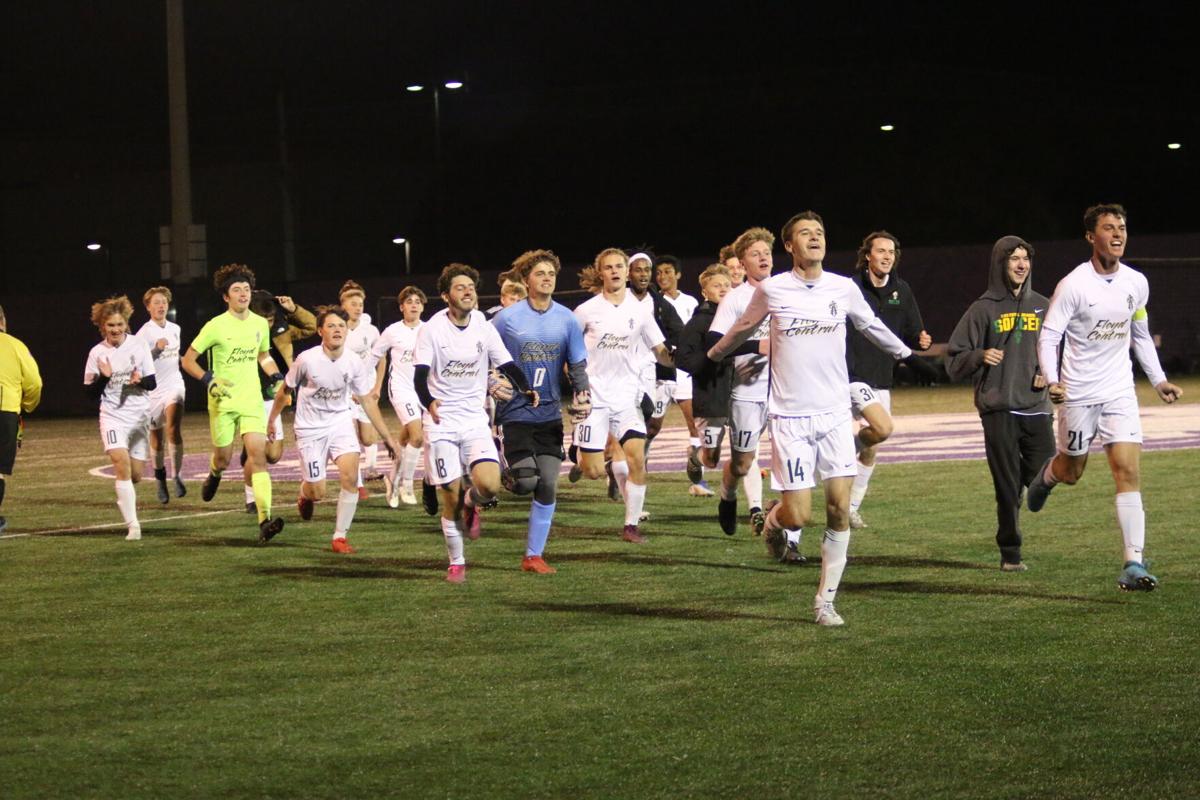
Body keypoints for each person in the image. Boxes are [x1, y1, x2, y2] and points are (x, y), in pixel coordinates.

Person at [708, 211, 922, 626]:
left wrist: (909, 356)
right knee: (799, 515)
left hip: (834, 415)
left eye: (820, 232)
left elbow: (870, 325)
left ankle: (825, 601)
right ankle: (774, 520)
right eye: (805, 233)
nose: (815, 238)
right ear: (789, 246)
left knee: (839, 509)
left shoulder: (841, 288)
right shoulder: (772, 289)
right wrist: (711, 357)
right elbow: (741, 329)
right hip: (790, 419)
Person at [1026, 204, 1183, 592]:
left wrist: (1159, 380)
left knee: (1127, 473)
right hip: (1078, 393)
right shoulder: (1074, 285)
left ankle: (1133, 563)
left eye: (1123, 228)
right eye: (1109, 228)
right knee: (1072, 472)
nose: (1118, 234)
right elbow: (1049, 336)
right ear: (1090, 237)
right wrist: (1052, 380)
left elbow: (1140, 334)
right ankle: (1047, 476)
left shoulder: (1136, 283)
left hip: (1119, 391)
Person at [414, 263, 536, 583]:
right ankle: (457, 561)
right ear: (445, 296)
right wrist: (429, 402)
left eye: (471, 286)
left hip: (473, 420)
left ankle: (473, 504)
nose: (468, 291)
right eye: (459, 287)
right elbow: (419, 376)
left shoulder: (482, 323)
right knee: (449, 498)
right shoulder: (432, 329)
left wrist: (525, 386)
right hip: (441, 423)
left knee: (490, 486)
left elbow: (504, 361)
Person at [946, 236, 1054, 571]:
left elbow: (1061, 346)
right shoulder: (982, 308)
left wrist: (1047, 371)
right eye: (1013, 259)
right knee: (1005, 486)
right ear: (999, 264)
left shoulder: (1043, 304)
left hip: (1037, 406)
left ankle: (1014, 494)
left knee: (1044, 470)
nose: (1022, 265)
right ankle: (1011, 552)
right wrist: (980, 355)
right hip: (999, 408)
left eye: (1026, 258)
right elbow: (954, 359)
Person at [268, 307, 399, 553]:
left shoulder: (354, 362)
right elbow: (285, 391)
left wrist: (388, 438)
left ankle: (340, 537)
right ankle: (305, 495)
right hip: (310, 430)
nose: (337, 330)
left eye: (341, 325)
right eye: (331, 326)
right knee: (318, 492)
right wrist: (272, 421)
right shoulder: (306, 359)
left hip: (340, 424)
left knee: (349, 477)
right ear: (320, 331)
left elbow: (367, 401)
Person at [492, 249, 590, 573]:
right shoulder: (507, 319)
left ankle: (533, 556)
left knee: (548, 483)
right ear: (526, 280)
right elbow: (484, 354)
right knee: (526, 483)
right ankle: (499, 480)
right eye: (540, 274)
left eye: (551, 273)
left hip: (548, 414)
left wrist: (582, 392)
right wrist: (490, 381)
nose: (547, 278)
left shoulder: (567, 319)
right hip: (515, 411)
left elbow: (576, 363)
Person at [181, 263, 287, 542]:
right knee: (224, 457)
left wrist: (275, 375)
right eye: (236, 290)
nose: (243, 294)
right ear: (226, 297)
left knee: (259, 456)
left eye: (246, 289)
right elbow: (187, 360)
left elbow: (263, 355)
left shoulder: (258, 324)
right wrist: (209, 380)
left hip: (252, 400)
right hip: (223, 403)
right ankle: (215, 472)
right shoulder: (215, 326)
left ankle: (264, 520)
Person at [573, 248, 674, 543]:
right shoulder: (586, 311)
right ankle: (585, 453)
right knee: (590, 471)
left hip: (627, 397)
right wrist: (575, 381)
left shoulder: (641, 310)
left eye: (620, 266)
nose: (615, 271)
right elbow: (571, 348)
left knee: (636, 459)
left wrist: (683, 358)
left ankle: (631, 526)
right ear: (600, 272)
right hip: (594, 398)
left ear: (626, 272)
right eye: (609, 267)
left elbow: (661, 351)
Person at [845, 231, 934, 529]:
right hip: (848, 376)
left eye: (891, 252)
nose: (886, 256)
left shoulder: (902, 290)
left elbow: (912, 332)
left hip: (881, 377)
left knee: (873, 443)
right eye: (880, 251)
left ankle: (851, 505)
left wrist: (920, 341)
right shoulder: (850, 288)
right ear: (867, 255)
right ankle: (842, 499)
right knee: (881, 428)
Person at [708, 227, 776, 535]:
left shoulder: (787, 290)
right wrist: (755, 346)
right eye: (755, 254)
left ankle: (780, 528)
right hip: (747, 393)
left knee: (787, 459)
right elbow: (715, 344)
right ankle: (728, 495)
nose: (762, 258)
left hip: (784, 392)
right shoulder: (735, 299)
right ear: (742, 263)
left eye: (766, 253)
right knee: (743, 464)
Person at [83, 296, 157, 541]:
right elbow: (91, 394)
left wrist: (140, 381)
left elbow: (152, 382)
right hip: (113, 416)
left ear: (126, 324)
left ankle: (125, 496)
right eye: (110, 325)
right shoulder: (97, 353)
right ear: (102, 326)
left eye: (119, 324)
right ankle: (133, 525)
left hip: (139, 417)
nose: (115, 329)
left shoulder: (139, 346)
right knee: (120, 465)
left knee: (135, 475)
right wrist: (104, 378)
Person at [243, 291, 317, 514]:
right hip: (250, 394)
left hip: (276, 395)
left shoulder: (281, 330)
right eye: (263, 320)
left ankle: (249, 453)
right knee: (258, 454)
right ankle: (250, 498)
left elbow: (312, 326)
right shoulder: (241, 333)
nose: (268, 325)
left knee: (273, 455)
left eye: (271, 320)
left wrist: (293, 309)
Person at [653, 255, 710, 496]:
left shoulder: (691, 301)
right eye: (659, 273)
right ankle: (632, 474)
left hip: (685, 371)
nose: (662, 277)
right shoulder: (652, 302)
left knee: (694, 424)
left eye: (667, 272)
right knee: (651, 428)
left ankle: (698, 481)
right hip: (661, 371)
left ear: (677, 274)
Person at [372, 286, 427, 507]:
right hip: (401, 389)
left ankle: (392, 480)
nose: (414, 305)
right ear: (401, 306)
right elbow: (375, 355)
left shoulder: (430, 329)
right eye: (409, 301)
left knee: (405, 440)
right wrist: (365, 384)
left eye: (418, 301)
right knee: (417, 436)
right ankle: (407, 484)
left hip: (423, 391)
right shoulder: (392, 331)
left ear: (423, 306)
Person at [136, 287, 187, 504]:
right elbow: (137, 362)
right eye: (156, 302)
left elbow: (175, 357)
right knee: (156, 438)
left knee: (173, 426)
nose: (161, 305)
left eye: (164, 302)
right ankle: (160, 479)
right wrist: (156, 350)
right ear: (148, 307)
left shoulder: (175, 328)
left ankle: (177, 476)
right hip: (153, 391)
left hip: (175, 385)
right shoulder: (143, 333)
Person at [0, 304, 43, 534]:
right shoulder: (15, 346)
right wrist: (28, 405)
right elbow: (35, 383)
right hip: (5, 411)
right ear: (3, 320)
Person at [340, 280, 385, 495]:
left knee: (367, 438)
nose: (358, 308)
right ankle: (357, 484)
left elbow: (381, 358)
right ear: (344, 307)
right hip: (346, 393)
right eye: (353, 304)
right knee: (349, 439)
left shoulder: (371, 330)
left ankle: (371, 469)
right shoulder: (338, 329)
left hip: (366, 390)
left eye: (360, 304)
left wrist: (377, 386)